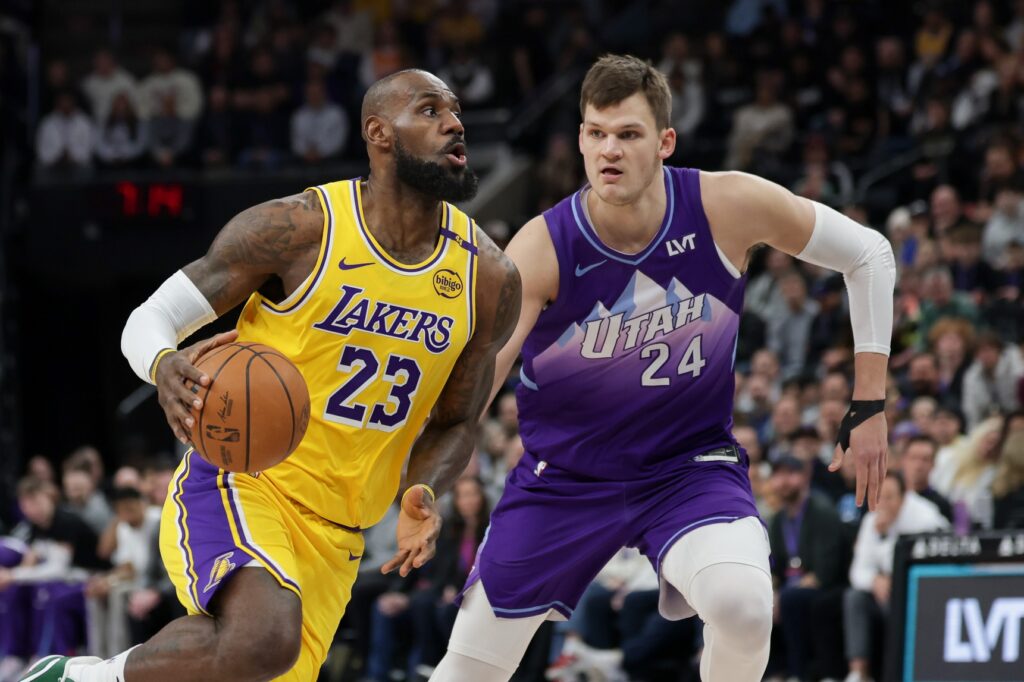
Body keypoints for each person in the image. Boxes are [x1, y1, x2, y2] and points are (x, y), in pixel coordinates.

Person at [22, 69, 521, 682]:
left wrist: (423, 493)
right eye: (429, 110)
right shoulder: (302, 228)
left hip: (341, 533)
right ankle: (76, 679)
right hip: (243, 481)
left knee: (248, 656)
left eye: (455, 111)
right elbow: (150, 319)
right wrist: (164, 362)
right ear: (379, 134)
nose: (454, 123)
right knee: (263, 639)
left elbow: (456, 421)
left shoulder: (489, 279)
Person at [432, 54, 895, 682]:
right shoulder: (542, 248)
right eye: (596, 134)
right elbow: (479, 382)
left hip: (686, 468)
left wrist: (869, 405)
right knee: (464, 674)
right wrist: (424, 483)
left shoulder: (723, 205)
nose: (609, 151)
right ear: (579, 140)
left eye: (628, 134)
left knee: (745, 606)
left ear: (665, 142)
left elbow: (870, 254)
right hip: (563, 480)